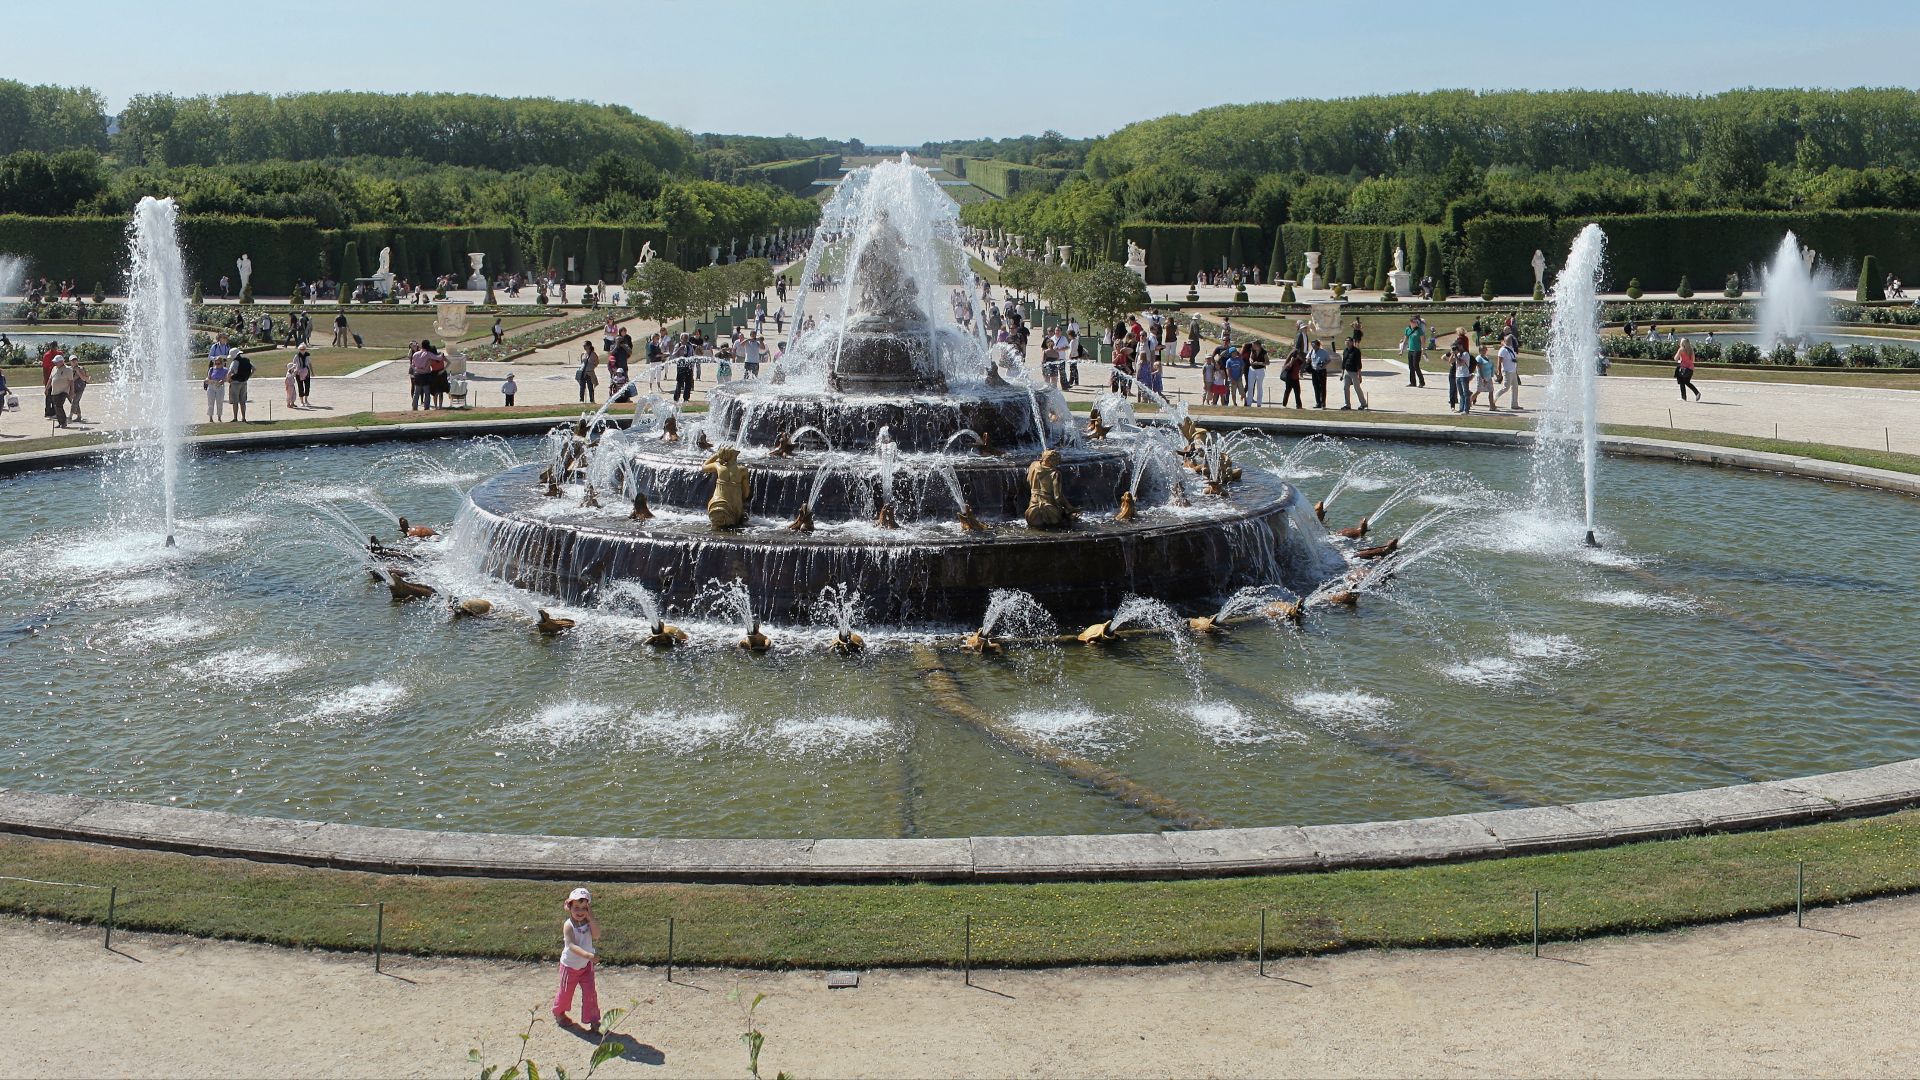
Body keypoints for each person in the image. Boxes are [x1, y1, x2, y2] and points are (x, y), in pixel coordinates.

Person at [552, 887, 601, 1034]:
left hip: (586, 967)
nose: (580, 912)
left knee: (590, 993)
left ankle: (593, 1020)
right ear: (569, 907)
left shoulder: (587, 922)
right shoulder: (569, 925)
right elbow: (571, 945)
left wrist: (591, 918)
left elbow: (597, 935)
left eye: (584, 908)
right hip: (570, 966)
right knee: (566, 992)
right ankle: (559, 1012)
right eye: (576, 908)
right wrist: (588, 955)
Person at [1339, 336, 1368, 410]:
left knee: (1357, 388)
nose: (1347, 342)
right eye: (1346, 341)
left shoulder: (1356, 351)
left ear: (1352, 342)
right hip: (1346, 372)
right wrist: (1342, 373)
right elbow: (1343, 362)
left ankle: (1363, 404)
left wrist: (1359, 375)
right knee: (1345, 388)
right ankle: (1347, 405)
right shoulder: (1345, 351)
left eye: (1349, 341)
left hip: (1354, 372)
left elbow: (1359, 363)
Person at [45, 355, 73, 428]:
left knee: (58, 406)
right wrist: (47, 388)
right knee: (56, 407)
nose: (55, 363)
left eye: (56, 362)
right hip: (55, 391)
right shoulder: (54, 368)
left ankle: (63, 422)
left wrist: (72, 391)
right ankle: (60, 422)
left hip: (63, 391)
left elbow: (71, 381)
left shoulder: (68, 369)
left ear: (61, 362)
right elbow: (50, 379)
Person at [227, 347, 253, 421]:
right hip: (244, 382)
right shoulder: (246, 360)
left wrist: (229, 380)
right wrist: (248, 376)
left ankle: (235, 418)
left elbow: (229, 373)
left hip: (235, 383)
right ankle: (243, 417)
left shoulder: (235, 362)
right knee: (243, 401)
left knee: (235, 401)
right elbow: (254, 368)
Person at [204, 352, 229, 423]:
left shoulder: (225, 370)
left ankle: (219, 417)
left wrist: (222, 381)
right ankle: (210, 418)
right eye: (216, 363)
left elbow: (226, 378)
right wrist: (208, 380)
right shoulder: (211, 369)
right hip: (212, 386)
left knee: (219, 402)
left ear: (222, 363)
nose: (217, 365)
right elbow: (208, 377)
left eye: (218, 363)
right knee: (210, 403)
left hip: (220, 386)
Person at [1674, 336, 1702, 401]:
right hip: (1690, 369)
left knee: (1681, 382)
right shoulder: (1691, 350)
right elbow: (1693, 360)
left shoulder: (1681, 349)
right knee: (1687, 382)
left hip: (1683, 368)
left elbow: (1675, 358)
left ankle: (1683, 397)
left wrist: (1680, 360)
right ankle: (1697, 393)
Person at [1499, 337, 1521, 410]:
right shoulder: (1503, 350)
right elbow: (1499, 361)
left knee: (1515, 387)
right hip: (1507, 371)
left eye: (1510, 340)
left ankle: (1514, 404)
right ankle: (1494, 399)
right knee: (1506, 388)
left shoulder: (1511, 348)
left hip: (1513, 371)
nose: (1510, 342)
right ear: (1504, 341)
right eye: (1508, 340)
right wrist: (1499, 371)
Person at [1280, 344, 1306, 408]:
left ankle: (1298, 405)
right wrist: (1292, 360)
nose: (1298, 355)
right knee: (1287, 391)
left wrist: (1299, 357)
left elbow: (1303, 362)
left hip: (1296, 378)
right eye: (1297, 354)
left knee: (1297, 392)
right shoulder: (1290, 361)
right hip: (1290, 378)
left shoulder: (1298, 360)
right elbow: (1288, 367)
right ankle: (1284, 404)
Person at [1308, 338, 1331, 408]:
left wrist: (1324, 364)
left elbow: (1329, 360)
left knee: (1322, 387)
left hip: (1322, 371)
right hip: (1314, 371)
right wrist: (1308, 360)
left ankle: (1323, 403)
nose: (1313, 347)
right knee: (1316, 387)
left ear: (1318, 345)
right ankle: (1318, 403)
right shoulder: (1311, 351)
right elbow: (1307, 359)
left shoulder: (1324, 352)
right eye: (1312, 345)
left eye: (1314, 345)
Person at [1403, 317, 1426, 387]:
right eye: (1414, 322)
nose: (1416, 324)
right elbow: (1405, 339)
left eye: (1416, 322)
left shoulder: (1419, 330)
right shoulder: (1407, 329)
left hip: (1417, 350)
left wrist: (1423, 350)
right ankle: (1413, 382)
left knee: (1416, 366)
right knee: (1411, 367)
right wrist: (1402, 350)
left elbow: (1423, 341)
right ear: (1411, 323)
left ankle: (1422, 382)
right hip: (1410, 350)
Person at [1453, 344, 1475, 414]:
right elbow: (1450, 361)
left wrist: (1456, 356)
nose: (1457, 348)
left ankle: (1466, 409)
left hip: (1464, 375)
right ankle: (1461, 408)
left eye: (1458, 346)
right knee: (1461, 393)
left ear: (1461, 346)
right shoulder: (1458, 354)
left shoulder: (1465, 354)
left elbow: (1461, 363)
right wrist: (1452, 354)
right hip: (1458, 375)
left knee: (1466, 393)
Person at [1246, 339, 1268, 406]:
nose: (1252, 346)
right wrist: (1251, 360)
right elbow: (1250, 357)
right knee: (1250, 386)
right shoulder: (1253, 350)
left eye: (1254, 345)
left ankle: (1259, 403)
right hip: (1252, 369)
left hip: (1260, 370)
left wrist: (1259, 363)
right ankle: (1249, 403)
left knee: (1259, 386)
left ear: (1258, 345)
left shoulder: (1264, 352)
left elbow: (1267, 362)